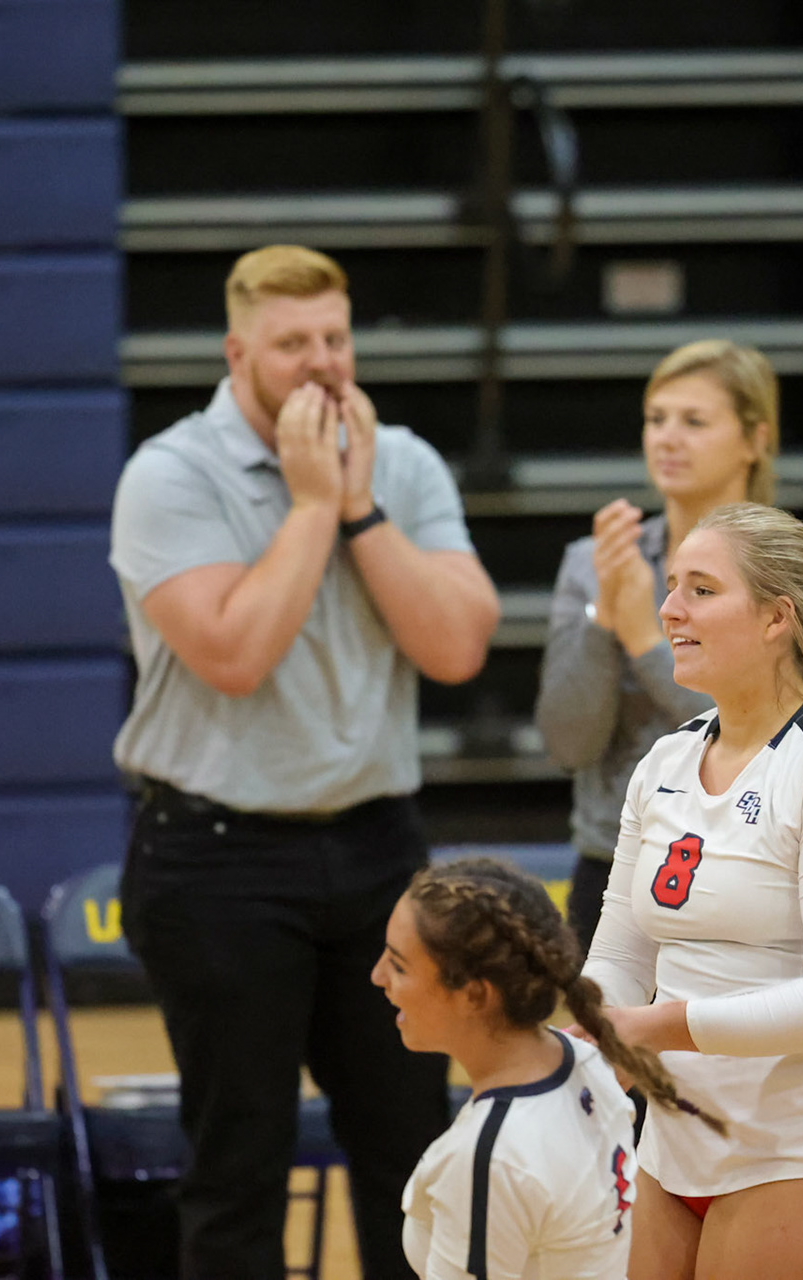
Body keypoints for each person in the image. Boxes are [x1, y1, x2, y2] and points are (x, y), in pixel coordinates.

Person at [109, 244, 501, 1279]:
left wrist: (361, 507)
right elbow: (234, 655)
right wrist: (313, 503)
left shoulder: (401, 461)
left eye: (336, 337)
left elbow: (457, 647)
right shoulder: (169, 475)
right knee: (240, 1161)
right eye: (292, 344)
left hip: (377, 847)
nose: (323, 363)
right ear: (237, 354)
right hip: (216, 858)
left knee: (412, 1150)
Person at [581, 503, 803, 1280]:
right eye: (671, 585)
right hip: (675, 1150)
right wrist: (591, 1030)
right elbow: (621, 952)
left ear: (778, 618)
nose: (670, 608)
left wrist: (654, 1028)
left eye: (702, 589)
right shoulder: (664, 762)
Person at [536, 340, 782, 950]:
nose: (668, 438)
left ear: (755, 439)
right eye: (656, 419)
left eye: (694, 421)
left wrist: (645, 642)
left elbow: (771, 739)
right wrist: (602, 618)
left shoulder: (794, 575)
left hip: (747, 864)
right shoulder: (591, 563)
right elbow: (568, 743)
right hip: (612, 865)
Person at [372, 857, 723, 1280]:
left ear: (474, 995)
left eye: (398, 965)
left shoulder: (491, 1156)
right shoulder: (585, 1064)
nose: (377, 976)